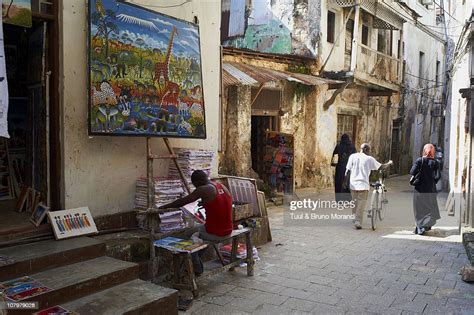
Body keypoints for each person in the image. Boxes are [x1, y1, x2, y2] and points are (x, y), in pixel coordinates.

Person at [159, 170, 233, 275]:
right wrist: (207, 203)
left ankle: (196, 267)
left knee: (187, 235)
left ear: (197, 182)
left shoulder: (203, 189)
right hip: (228, 230)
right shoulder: (220, 186)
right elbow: (224, 203)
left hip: (216, 233)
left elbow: (182, 202)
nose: (195, 187)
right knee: (199, 230)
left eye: (195, 185)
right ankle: (197, 258)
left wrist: (162, 207)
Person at [344, 143, 392, 229]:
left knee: (355, 202)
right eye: (369, 150)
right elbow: (381, 167)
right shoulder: (369, 159)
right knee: (361, 203)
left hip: (353, 184)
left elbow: (347, 171)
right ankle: (358, 221)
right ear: (366, 149)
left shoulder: (352, 156)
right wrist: (389, 163)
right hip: (363, 185)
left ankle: (355, 217)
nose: (370, 152)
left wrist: (345, 182)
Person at [409, 143, 441, 235]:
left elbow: (412, 171)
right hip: (430, 189)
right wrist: (432, 182)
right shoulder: (435, 163)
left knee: (419, 208)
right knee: (428, 208)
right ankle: (425, 226)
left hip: (419, 189)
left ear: (424, 151)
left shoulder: (420, 160)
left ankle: (420, 228)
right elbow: (438, 176)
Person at [332, 134, 356, 202]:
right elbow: (355, 158)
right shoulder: (352, 147)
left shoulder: (338, 146)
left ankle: (339, 200)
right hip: (349, 169)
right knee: (347, 183)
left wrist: (334, 164)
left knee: (339, 183)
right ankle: (348, 200)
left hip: (340, 169)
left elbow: (335, 157)